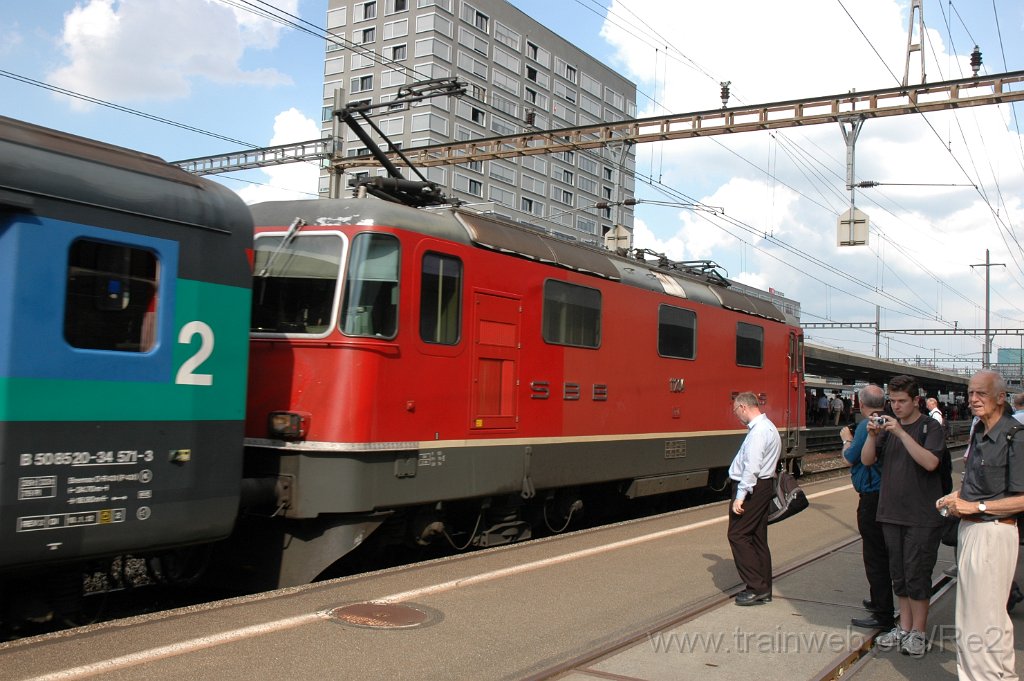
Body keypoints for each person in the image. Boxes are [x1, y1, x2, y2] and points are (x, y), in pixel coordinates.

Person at [937, 370, 1024, 681]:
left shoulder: (1016, 436)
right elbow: (983, 484)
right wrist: (957, 497)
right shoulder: (979, 432)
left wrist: (977, 507)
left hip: (993, 531)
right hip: (973, 529)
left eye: (981, 393)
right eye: (970, 393)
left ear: (1000, 397)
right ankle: (1002, 676)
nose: (973, 399)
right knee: (984, 615)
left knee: (980, 618)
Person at [861, 375, 945, 657]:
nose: (896, 406)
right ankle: (905, 626)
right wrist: (872, 436)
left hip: (921, 515)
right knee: (899, 574)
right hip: (891, 512)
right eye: (892, 401)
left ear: (916, 400)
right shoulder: (887, 428)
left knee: (917, 574)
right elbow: (867, 460)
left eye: (902, 401)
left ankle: (919, 631)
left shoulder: (930, 427)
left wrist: (900, 433)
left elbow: (931, 462)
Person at [839, 385, 894, 630]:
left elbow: (850, 458)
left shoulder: (866, 426)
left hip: (872, 497)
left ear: (860, 403)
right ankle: (879, 600)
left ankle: (882, 611)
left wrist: (846, 439)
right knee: (882, 553)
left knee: (874, 555)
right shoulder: (890, 421)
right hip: (887, 494)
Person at [727, 392, 781, 606]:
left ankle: (755, 587)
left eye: (735, 411)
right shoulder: (769, 427)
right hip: (762, 486)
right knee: (757, 537)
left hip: (752, 489)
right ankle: (764, 588)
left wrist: (740, 496)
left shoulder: (758, 432)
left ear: (743, 407)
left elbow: (751, 467)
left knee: (737, 535)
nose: (736, 415)